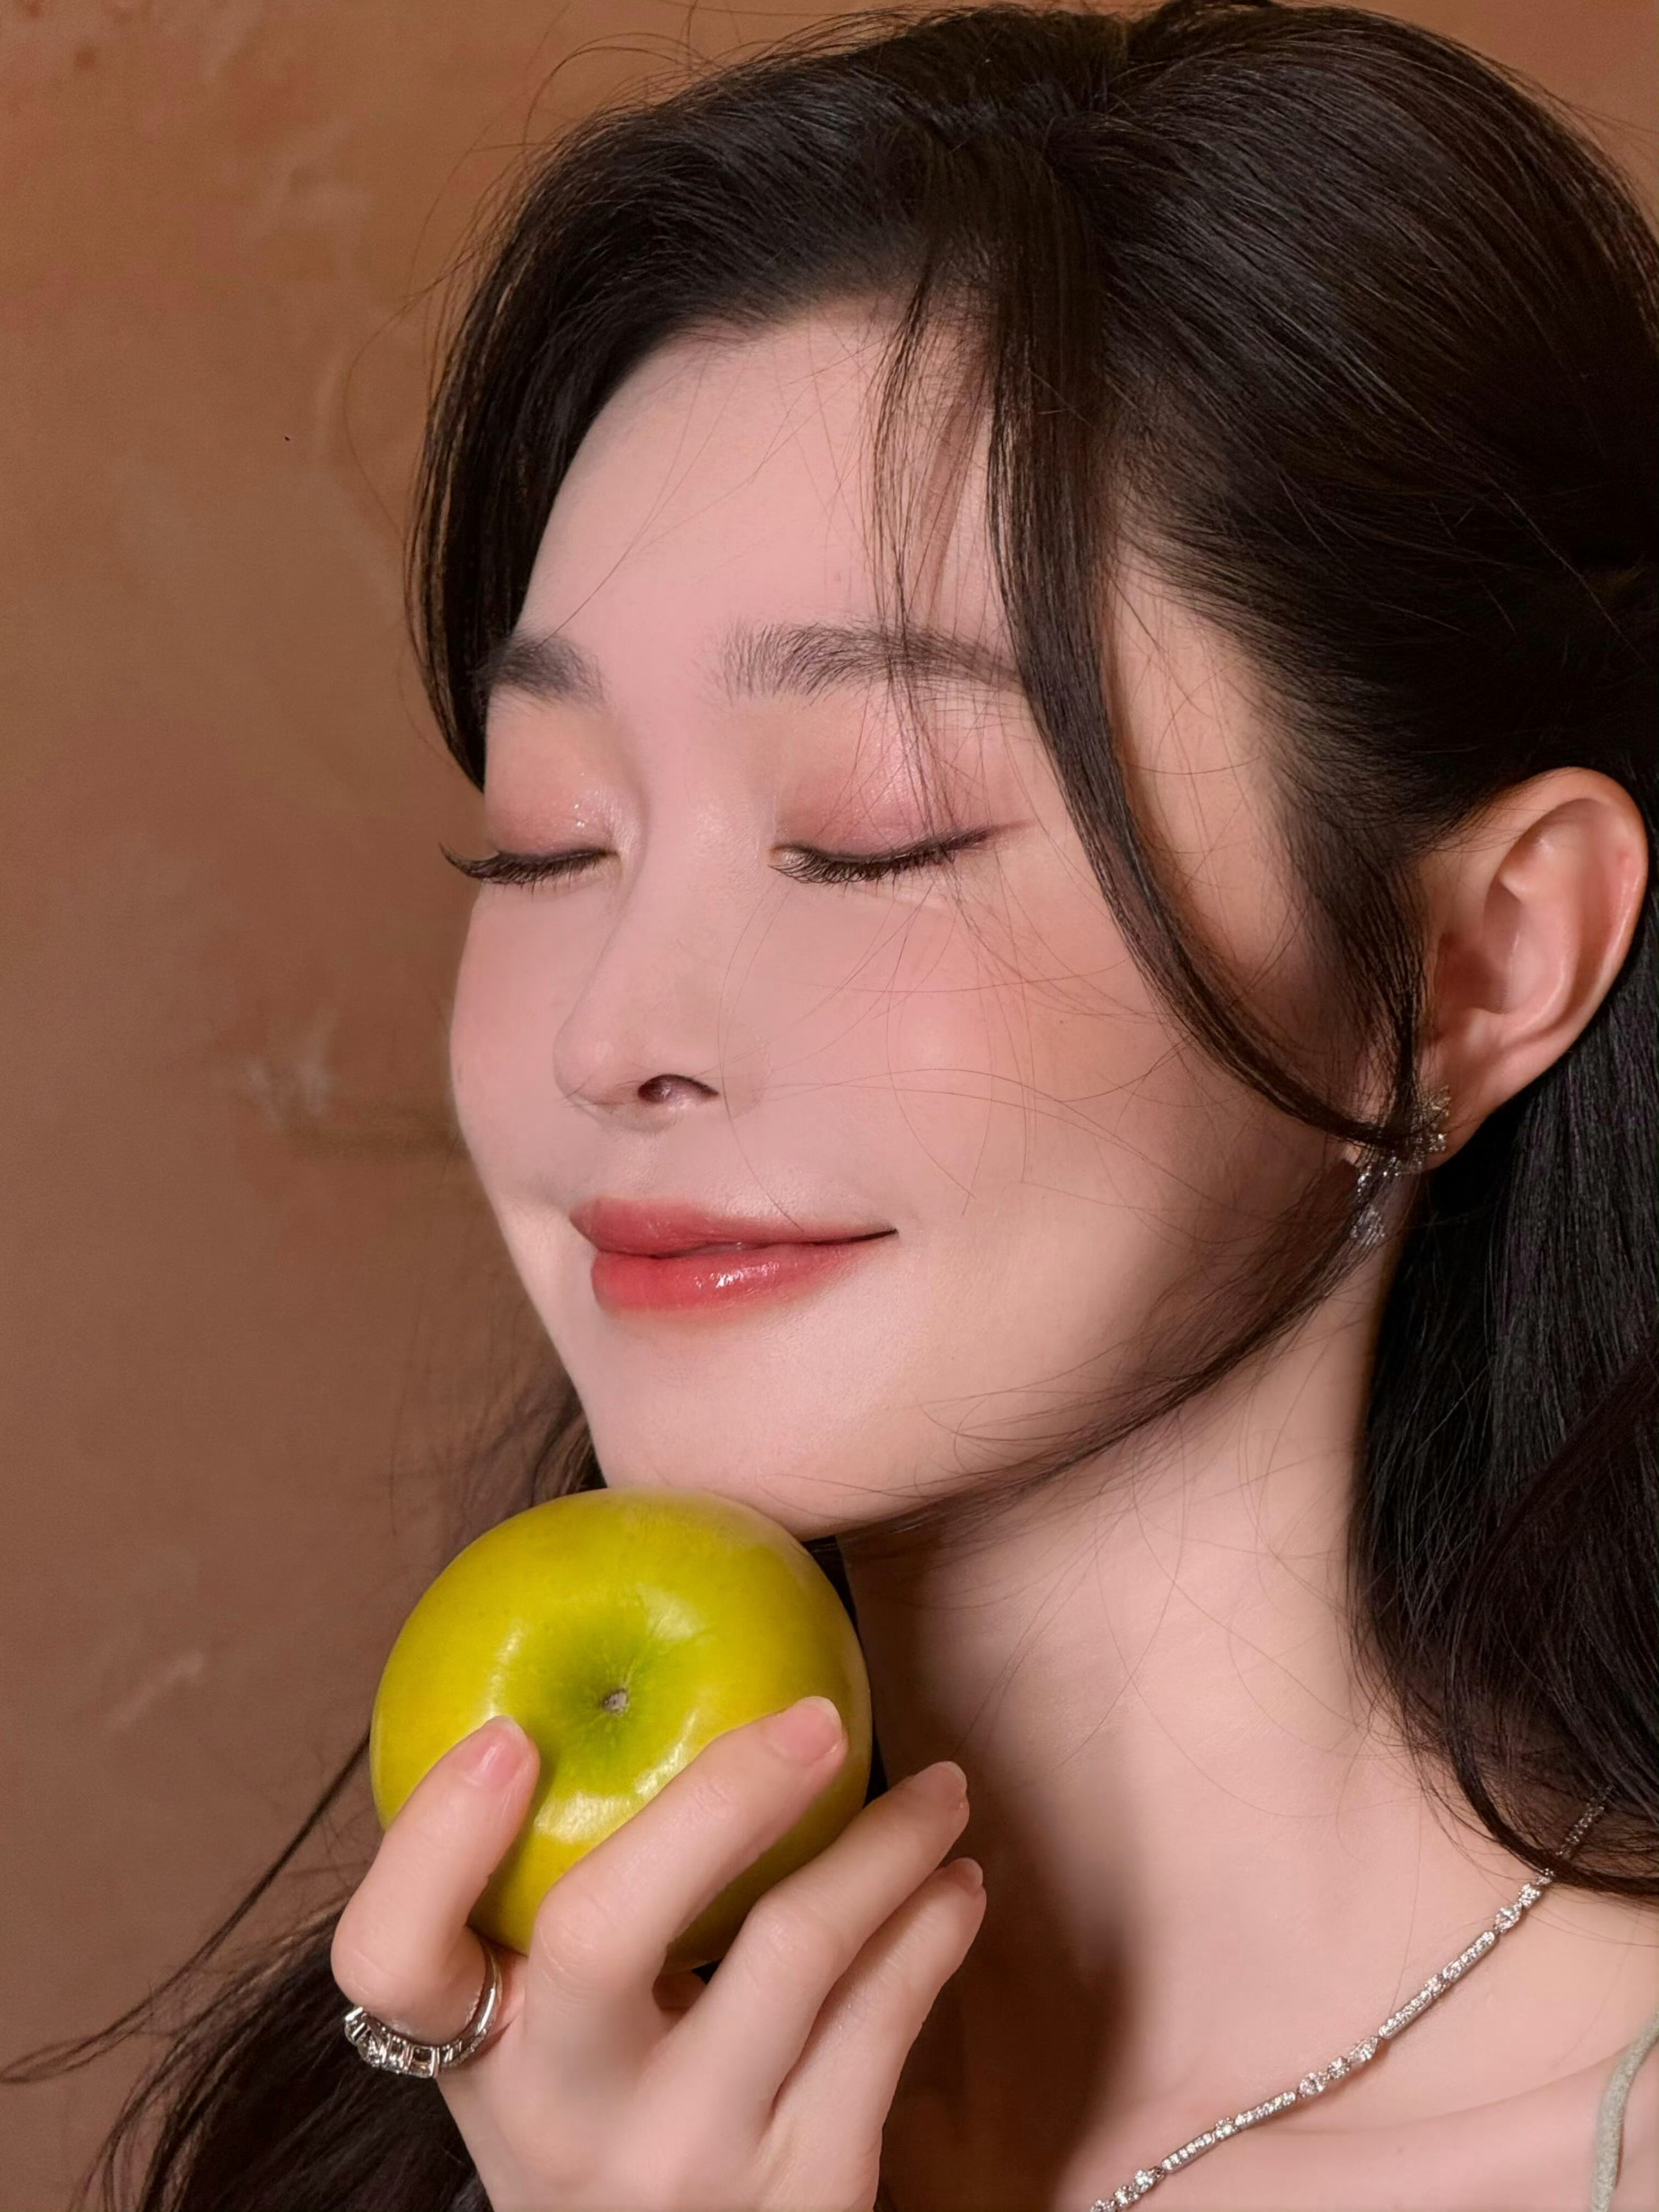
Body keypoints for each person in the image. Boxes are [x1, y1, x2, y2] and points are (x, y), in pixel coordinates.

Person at [9, 3, 1656, 2206]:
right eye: (551, 839)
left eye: (872, 835)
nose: (612, 1035)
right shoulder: (431, 2126)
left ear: (1475, 966)